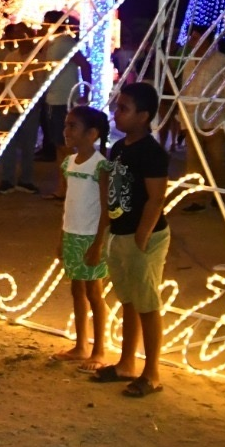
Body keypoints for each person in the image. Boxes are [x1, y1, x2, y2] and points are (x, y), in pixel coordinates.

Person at [90, 82, 170, 398]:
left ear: (144, 115)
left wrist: (142, 237)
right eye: (117, 106)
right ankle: (126, 363)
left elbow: (156, 198)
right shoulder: (120, 147)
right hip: (122, 233)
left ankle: (151, 373)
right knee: (130, 301)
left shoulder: (152, 152)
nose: (116, 113)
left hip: (143, 236)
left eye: (123, 108)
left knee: (147, 304)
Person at [51, 105, 111, 370]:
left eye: (73, 126)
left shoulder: (101, 166)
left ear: (92, 133)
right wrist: (62, 237)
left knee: (94, 292)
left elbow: (106, 209)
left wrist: (99, 243)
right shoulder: (68, 163)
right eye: (66, 125)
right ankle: (81, 344)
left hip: (90, 237)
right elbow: (68, 203)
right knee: (77, 289)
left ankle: (99, 349)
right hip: (73, 234)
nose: (66, 131)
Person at [177, 26, 225, 211]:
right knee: (193, 162)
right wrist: (182, 119)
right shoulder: (189, 62)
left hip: (214, 120)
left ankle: (220, 193)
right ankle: (196, 198)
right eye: (192, 39)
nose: (193, 42)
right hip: (192, 119)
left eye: (196, 38)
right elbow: (184, 91)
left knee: (217, 160)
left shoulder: (222, 61)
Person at [38, 12, 89, 198]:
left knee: (65, 146)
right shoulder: (53, 43)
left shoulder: (65, 42)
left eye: (46, 22)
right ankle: (63, 187)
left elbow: (85, 64)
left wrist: (85, 93)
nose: (43, 25)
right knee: (60, 146)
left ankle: (70, 189)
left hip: (63, 100)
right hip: (53, 99)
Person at [0, 22, 43, 194]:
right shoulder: (10, 57)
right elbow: (1, 81)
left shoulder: (38, 58)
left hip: (29, 107)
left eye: (23, 33)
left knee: (28, 145)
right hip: (9, 107)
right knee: (7, 145)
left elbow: (42, 82)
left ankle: (25, 180)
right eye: (17, 34)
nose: (20, 37)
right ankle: (7, 179)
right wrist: (0, 101)